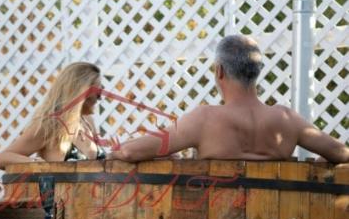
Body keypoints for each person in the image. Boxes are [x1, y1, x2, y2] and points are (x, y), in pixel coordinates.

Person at [108, 35, 349, 163]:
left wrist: (114, 151)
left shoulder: (205, 119)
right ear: (257, 71)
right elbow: (342, 154)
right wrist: (321, 164)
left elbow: (130, 153)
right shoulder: (287, 119)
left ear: (219, 71)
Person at [0, 62, 105, 169]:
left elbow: (95, 165)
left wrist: (116, 155)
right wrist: (36, 164)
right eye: (99, 92)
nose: (100, 98)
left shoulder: (87, 121)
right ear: (82, 92)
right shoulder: (50, 125)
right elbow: (1, 159)